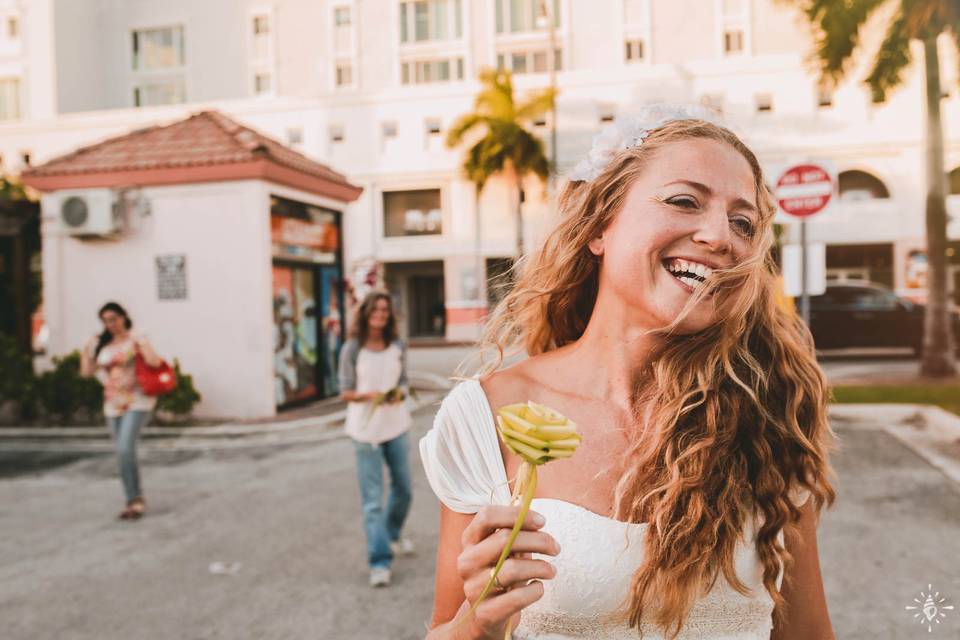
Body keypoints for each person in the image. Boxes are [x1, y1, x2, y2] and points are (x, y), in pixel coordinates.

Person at [420, 105, 837, 639]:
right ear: (599, 227)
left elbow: (808, 634)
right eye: (684, 201)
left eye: (743, 223)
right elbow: (444, 629)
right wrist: (477, 622)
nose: (721, 237)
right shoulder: (487, 417)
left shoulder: (773, 410)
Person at [339, 291, 416, 588]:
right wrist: (368, 396)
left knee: (405, 489)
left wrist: (399, 394)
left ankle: (391, 534)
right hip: (365, 431)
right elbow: (344, 391)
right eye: (376, 309)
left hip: (396, 425)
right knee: (372, 501)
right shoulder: (352, 349)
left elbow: (404, 381)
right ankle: (380, 561)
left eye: (385, 310)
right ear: (366, 313)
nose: (381, 314)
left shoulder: (397, 345)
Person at [80, 302, 164, 521]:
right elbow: (87, 374)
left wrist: (141, 342)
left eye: (114, 318)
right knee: (122, 453)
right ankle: (131, 499)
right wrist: (86, 351)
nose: (111, 324)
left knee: (126, 448)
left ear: (124, 317)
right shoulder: (103, 345)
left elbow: (154, 362)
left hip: (137, 401)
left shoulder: (135, 338)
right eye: (106, 321)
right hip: (113, 405)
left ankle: (135, 500)